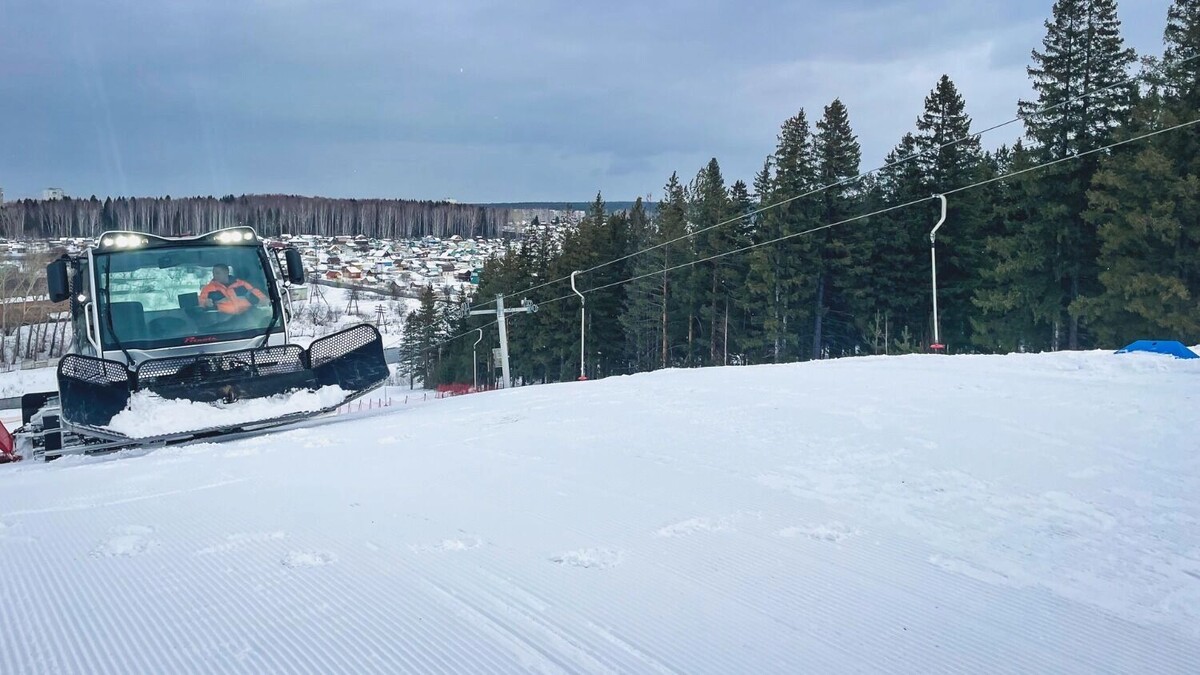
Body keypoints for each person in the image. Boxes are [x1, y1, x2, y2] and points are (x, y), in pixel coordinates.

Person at [199, 264, 268, 314]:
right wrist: (205, 303)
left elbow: (256, 292)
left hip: (247, 316)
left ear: (226, 272)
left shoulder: (242, 284)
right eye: (213, 273)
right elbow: (200, 302)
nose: (215, 276)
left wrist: (264, 300)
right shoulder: (208, 288)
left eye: (217, 273)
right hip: (222, 318)